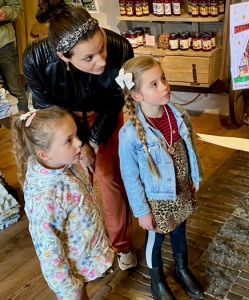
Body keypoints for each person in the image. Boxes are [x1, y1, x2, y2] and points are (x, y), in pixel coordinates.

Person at [22, 1, 137, 270]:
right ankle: (87, 251)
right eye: (89, 58)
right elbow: (46, 108)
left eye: (102, 48)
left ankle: (121, 245)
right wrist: (78, 144)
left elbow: (116, 100)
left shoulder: (120, 47)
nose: (102, 60)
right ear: (63, 56)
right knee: (73, 184)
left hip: (105, 112)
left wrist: (93, 141)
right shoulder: (35, 59)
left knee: (109, 178)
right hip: (63, 120)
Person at [118, 56, 204, 300]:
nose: (164, 86)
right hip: (156, 199)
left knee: (180, 232)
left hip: (181, 189)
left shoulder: (179, 115)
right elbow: (130, 176)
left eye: (163, 79)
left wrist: (194, 176)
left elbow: (190, 149)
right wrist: (141, 211)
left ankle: (182, 268)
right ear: (137, 96)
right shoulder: (130, 134)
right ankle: (156, 280)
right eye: (153, 84)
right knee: (155, 240)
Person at [10, 106, 114, 300]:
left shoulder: (62, 164)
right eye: (69, 140)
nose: (79, 143)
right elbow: (49, 249)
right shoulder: (46, 197)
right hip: (69, 271)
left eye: (75, 135)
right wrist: (68, 288)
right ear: (44, 154)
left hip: (81, 255)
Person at [0, 0, 28, 112]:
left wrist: (4, 12)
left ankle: (25, 125)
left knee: (15, 89)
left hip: (4, 45)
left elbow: (18, 8)